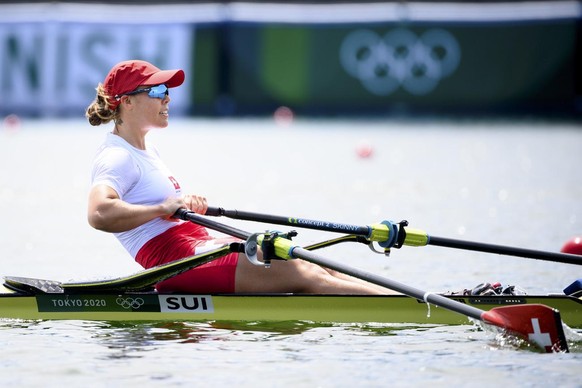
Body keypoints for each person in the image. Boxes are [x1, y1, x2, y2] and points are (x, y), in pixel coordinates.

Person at [85, 59, 392, 295]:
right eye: (157, 91)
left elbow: (167, 209)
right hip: (171, 262)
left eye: (167, 91)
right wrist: (162, 208)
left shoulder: (146, 151)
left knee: (309, 261)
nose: (167, 98)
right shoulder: (117, 156)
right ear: (126, 101)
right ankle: (414, 310)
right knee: (302, 272)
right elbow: (99, 213)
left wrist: (182, 208)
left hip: (193, 242)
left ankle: (407, 300)